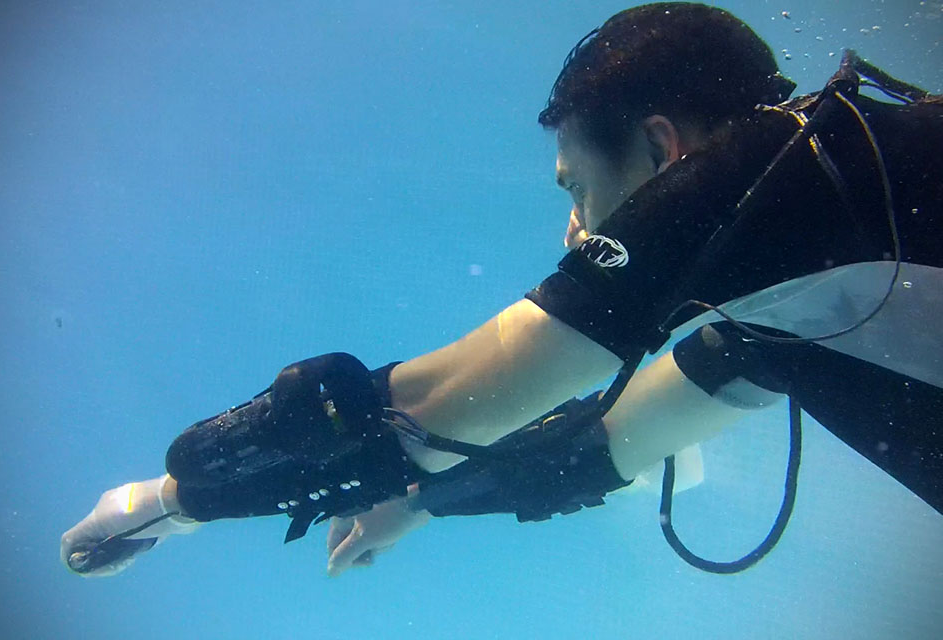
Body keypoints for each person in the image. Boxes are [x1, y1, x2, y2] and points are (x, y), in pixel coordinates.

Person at [61, 3, 943, 578]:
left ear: (663, 150)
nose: (574, 232)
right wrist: (417, 504)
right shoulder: (788, 298)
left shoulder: (766, 173)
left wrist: (167, 501)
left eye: (577, 190)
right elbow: (598, 448)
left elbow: (397, 414)